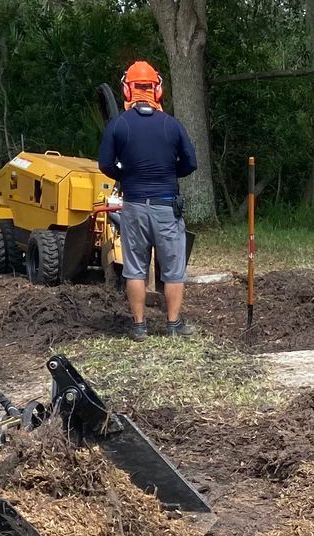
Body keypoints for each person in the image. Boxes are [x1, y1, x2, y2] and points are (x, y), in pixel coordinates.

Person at [97, 60, 198, 341]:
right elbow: (191, 163)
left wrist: (126, 175)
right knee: (174, 269)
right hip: (167, 206)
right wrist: (168, 172)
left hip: (134, 206)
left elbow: (104, 163)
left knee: (135, 269)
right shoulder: (171, 125)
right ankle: (174, 324)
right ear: (157, 89)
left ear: (127, 91)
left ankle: (140, 326)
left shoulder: (118, 125)